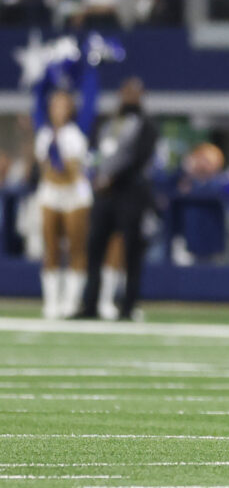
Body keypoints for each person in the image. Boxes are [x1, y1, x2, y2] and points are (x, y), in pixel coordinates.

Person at [77, 78, 158, 321]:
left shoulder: (146, 126)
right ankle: (90, 303)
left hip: (130, 194)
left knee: (132, 251)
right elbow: (94, 152)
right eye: (126, 92)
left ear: (141, 95)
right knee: (94, 248)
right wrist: (94, 175)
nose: (129, 97)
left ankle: (128, 306)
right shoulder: (107, 123)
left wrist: (112, 178)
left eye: (134, 93)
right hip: (104, 195)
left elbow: (140, 159)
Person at [33, 64, 98, 319]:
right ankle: (51, 301)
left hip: (75, 194)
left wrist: (90, 69)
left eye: (64, 105)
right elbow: (46, 171)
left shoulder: (76, 133)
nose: (58, 109)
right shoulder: (44, 134)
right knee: (50, 248)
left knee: (76, 248)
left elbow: (71, 172)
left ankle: (71, 301)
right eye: (55, 105)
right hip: (51, 192)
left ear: (70, 108)